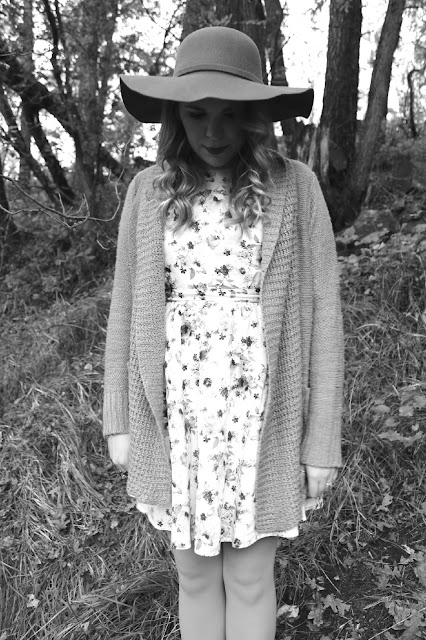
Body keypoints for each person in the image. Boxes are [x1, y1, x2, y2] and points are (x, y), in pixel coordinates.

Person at [103, 26, 344, 640]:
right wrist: (118, 418)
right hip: (178, 417)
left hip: (261, 418)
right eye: (197, 114)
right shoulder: (148, 191)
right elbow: (125, 307)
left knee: (250, 579)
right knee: (194, 578)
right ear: (175, 116)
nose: (212, 132)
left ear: (255, 116)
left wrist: (321, 440)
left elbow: (325, 317)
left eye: (230, 114)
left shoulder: (296, 187)